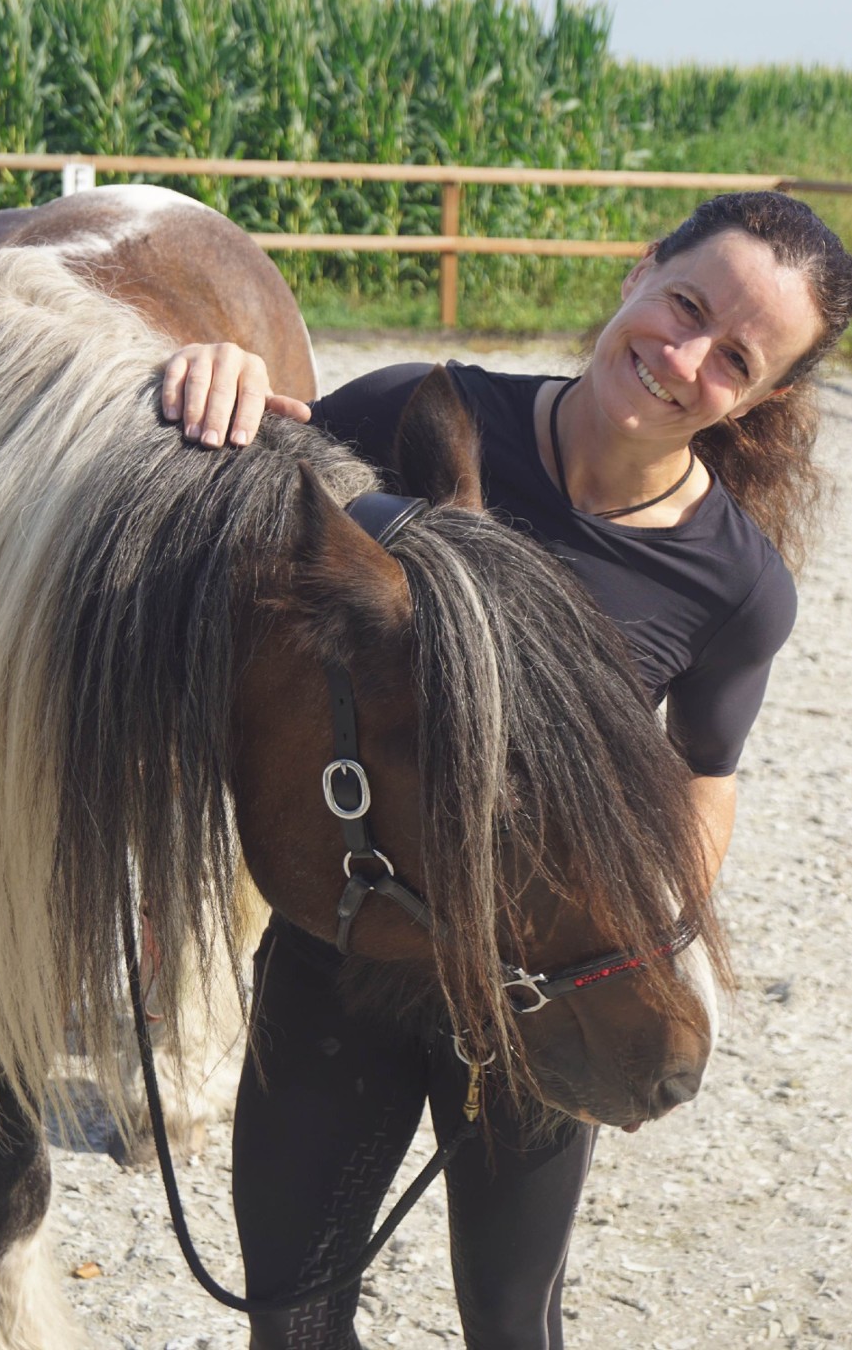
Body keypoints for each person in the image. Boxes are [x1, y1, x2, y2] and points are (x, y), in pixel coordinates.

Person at [160, 192, 852, 1350]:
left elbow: (703, 772)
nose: (684, 358)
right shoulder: (417, 412)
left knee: (509, 1320)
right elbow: (255, 499)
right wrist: (220, 372)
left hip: (535, 985)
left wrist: (634, 944)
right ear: (639, 271)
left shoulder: (733, 585)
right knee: (290, 1311)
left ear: (761, 397)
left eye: (735, 357)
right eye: (685, 304)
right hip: (349, 946)